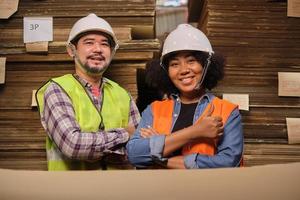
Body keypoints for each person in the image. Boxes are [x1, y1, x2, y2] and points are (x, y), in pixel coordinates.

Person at [127, 24, 243, 169]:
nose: (183, 70)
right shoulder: (155, 110)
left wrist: (162, 159)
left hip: (206, 190)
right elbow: (134, 154)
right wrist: (196, 131)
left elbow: (228, 162)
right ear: (166, 71)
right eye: (175, 64)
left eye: (191, 61)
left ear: (206, 65)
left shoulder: (227, 111)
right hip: (160, 190)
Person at [36, 13, 140, 170]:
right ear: (72, 50)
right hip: (72, 192)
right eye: (89, 43)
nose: (97, 49)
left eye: (104, 44)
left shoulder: (122, 95)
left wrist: (96, 149)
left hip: (117, 191)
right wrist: (124, 134)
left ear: (111, 52)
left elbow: (141, 149)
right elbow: (73, 145)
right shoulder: (57, 89)